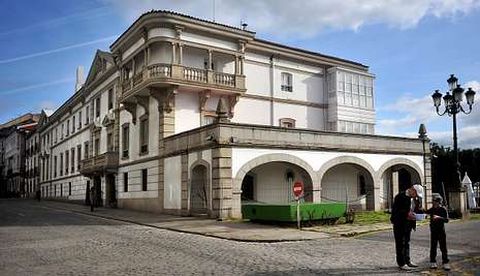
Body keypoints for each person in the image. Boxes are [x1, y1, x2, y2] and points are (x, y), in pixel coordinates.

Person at [390, 184, 423, 270]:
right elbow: (395, 211)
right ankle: (401, 263)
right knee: (400, 244)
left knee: (407, 243)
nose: (416, 196)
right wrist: (406, 214)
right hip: (399, 224)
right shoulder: (399, 197)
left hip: (408, 224)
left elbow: (415, 209)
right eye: (416, 194)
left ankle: (407, 261)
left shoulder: (414, 199)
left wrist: (419, 214)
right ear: (412, 190)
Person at [425, 196, 450, 271]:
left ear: (439, 202)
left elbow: (447, 220)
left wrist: (439, 217)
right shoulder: (432, 209)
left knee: (443, 247)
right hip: (433, 230)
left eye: (436, 202)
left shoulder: (443, 209)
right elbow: (425, 212)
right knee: (433, 247)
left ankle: (445, 262)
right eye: (433, 202)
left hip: (441, 230)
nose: (434, 203)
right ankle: (433, 262)